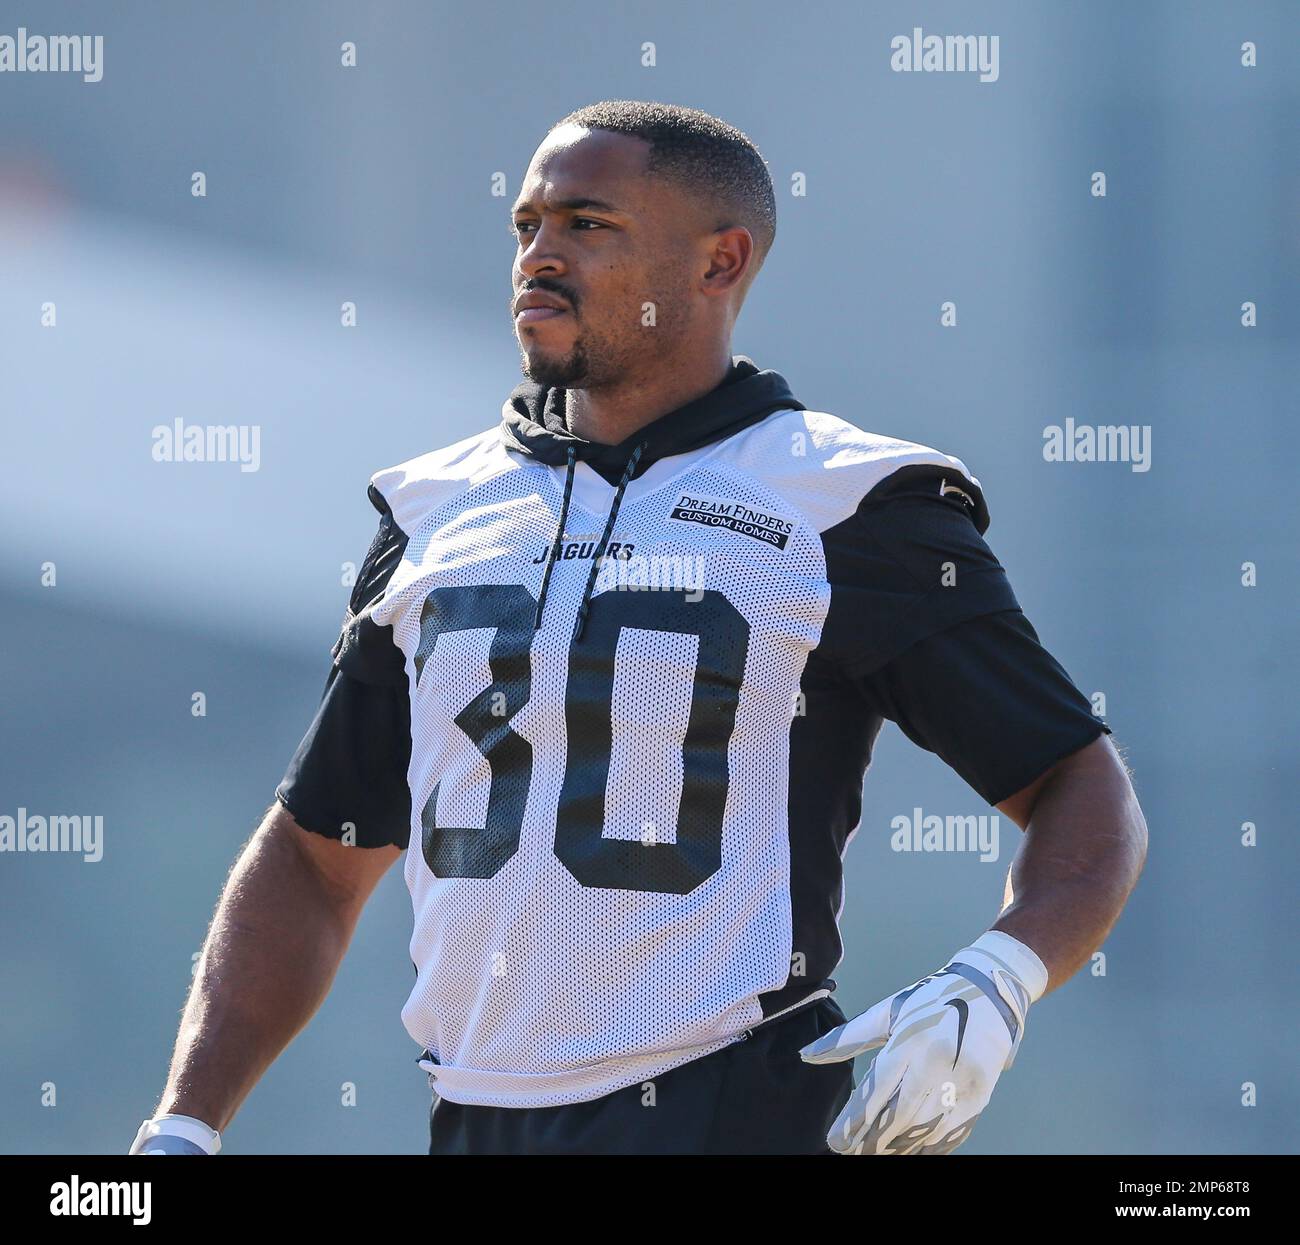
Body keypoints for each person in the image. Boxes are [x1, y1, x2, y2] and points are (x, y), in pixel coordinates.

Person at [129, 100, 1146, 1157]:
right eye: (526, 225)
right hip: (473, 1119)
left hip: (734, 1105)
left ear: (720, 263)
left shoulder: (845, 501)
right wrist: (185, 1124)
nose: (538, 256)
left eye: (587, 225)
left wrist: (999, 979)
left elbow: (1078, 785)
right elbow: (314, 857)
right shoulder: (435, 510)